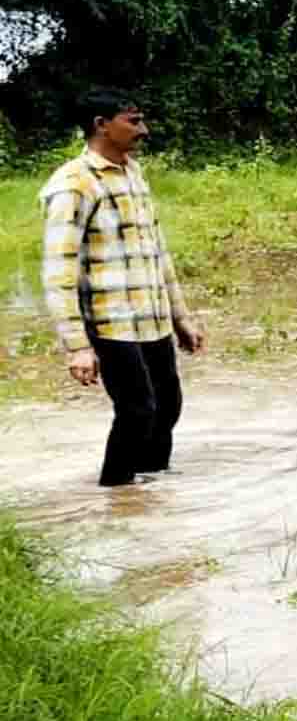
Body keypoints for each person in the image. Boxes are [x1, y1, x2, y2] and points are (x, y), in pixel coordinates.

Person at [41, 89, 206, 487]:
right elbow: (58, 270)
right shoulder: (73, 184)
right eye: (134, 120)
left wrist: (180, 316)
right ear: (101, 125)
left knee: (167, 407)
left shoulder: (133, 174)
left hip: (151, 318)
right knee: (137, 412)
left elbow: (157, 252)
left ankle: (151, 493)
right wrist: (77, 346)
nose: (144, 130)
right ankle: (114, 493)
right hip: (110, 323)